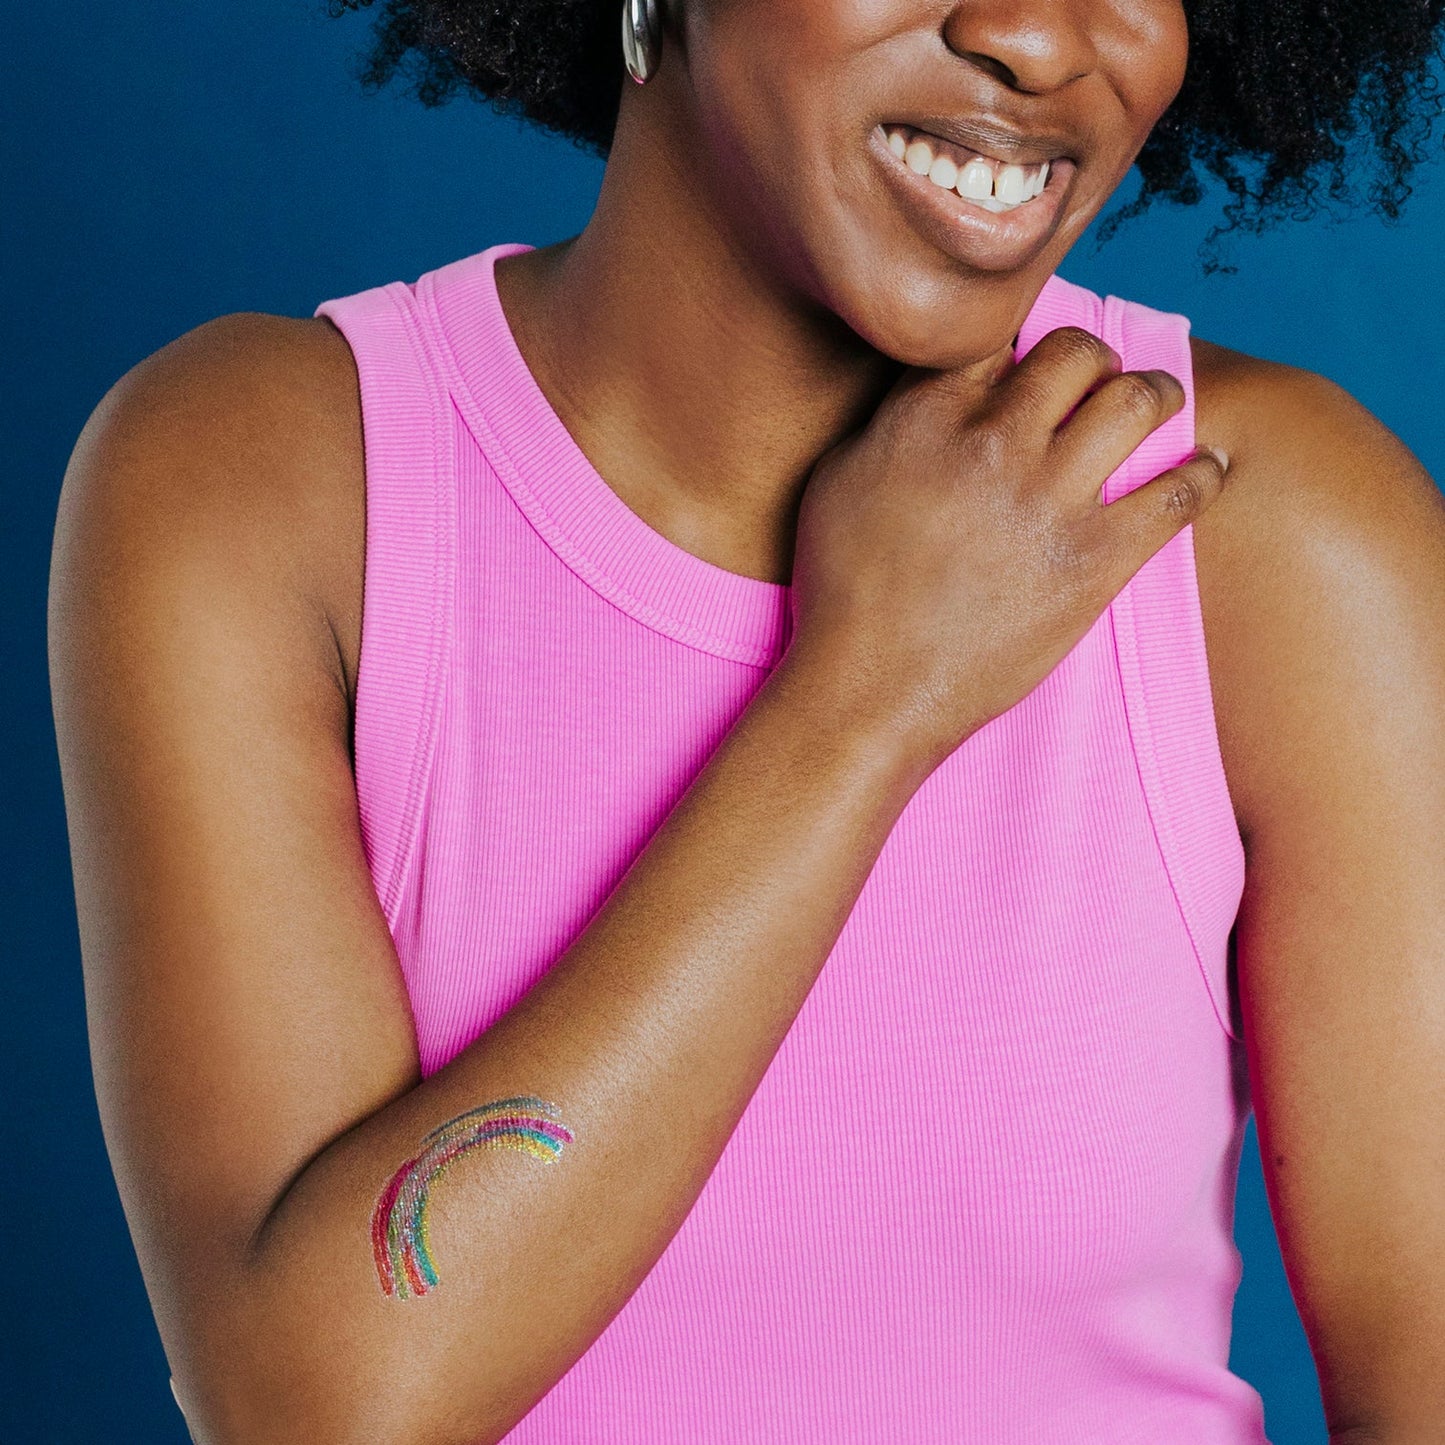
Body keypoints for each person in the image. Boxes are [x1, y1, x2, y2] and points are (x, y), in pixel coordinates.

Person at [47, 0, 1445, 1440]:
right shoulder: (263, 489)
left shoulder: (1261, 534)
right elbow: (320, 1412)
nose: (1034, 36)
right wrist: (866, 697)